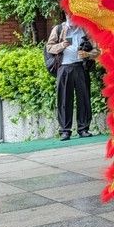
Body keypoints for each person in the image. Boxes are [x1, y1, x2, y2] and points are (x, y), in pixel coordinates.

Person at [46, 13, 99, 141]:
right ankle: (65, 131)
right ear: (65, 15)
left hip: (81, 67)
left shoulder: (85, 30)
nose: (72, 18)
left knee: (84, 99)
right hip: (64, 68)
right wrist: (62, 45)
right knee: (64, 100)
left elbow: (97, 51)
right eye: (69, 15)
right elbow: (49, 48)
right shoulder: (59, 29)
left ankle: (84, 129)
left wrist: (87, 54)